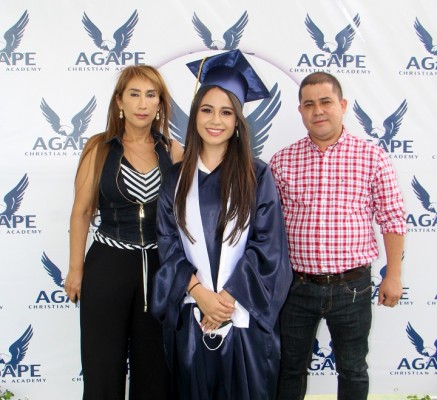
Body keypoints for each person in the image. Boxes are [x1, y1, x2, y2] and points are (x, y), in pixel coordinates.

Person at [151, 49, 292, 400]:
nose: (216, 120)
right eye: (207, 109)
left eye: (227, 112)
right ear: (195, 115)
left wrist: (225, 300)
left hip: (242, 315)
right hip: (192, 314)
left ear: (238, 121)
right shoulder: (174, 179)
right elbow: (167, 245)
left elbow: (268, 247)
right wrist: (201, 295)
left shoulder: (257, 174)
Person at [270, 72, 406, 400]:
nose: (318, 110)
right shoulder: (282, 161)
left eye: (326, 102)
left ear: (342, 105)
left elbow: (392, 218)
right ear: (300, 110)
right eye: (309, 104)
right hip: (296, 287)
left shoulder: (372, 158)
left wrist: (394, 276)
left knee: (353, 368)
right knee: (289, 366)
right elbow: (270, 227)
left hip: (353, 287)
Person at [64, 65, 184, 400]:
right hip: (108, 265)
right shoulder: (99, 148)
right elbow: (82, 211)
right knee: (103, 366)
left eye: (151, 95)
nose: (142, 103)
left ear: (160, 104)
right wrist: (76, 269)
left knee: (156, 370)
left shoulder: (173, 151)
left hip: (160, 269)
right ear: (120, 101)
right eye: (134, 94)